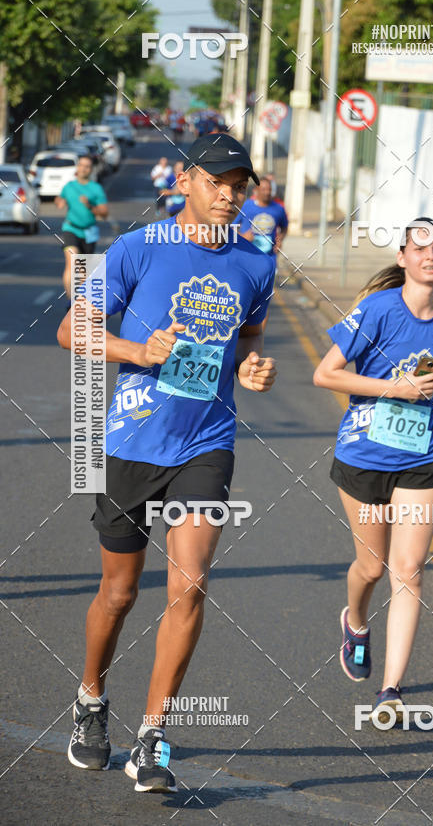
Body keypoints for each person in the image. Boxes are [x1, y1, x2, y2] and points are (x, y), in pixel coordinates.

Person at [57, 133, 277, 792]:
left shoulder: (257, 261)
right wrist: (138, 352)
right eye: (217, 182)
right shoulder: (134, 249)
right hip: (133, 442)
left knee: (190, 585)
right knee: (120, 594)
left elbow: (249, 336)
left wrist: (254, 366)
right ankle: (91, 700)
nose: (229, 194)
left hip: (206, 443)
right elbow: (73, 330)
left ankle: (153, 737)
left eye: (239, 184)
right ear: (186, 181)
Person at [313, 218, 433, 725]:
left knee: (409, 571)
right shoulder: (378, 310)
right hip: (365, 456)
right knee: (372, 568)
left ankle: (390, 692)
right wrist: (396, 390)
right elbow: (325, 374)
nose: (432, 256)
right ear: (403, 257)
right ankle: (356, 623)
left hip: (423, 455)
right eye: (420, 248)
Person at [54, 154, 108, 298]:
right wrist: (58, 201)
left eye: (87, 167)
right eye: (81, 165)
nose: (83, 169)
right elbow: (60, 199)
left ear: (91, 170)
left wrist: (90, 206)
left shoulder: (96, 188)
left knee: (84, 271)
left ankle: (81, 300)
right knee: (73, 261)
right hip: (71, 228)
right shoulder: (69, 186)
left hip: (89, 232)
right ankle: (71, 301)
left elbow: (104, 213)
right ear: (77, 167)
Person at [234, 175, 288, 255]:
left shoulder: (278, 208)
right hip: (247, 253)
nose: (267, 192)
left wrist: (279, 240)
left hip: (269, 256)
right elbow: (231, 227)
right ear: (256, 190)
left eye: (269, 189)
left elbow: (284, 227)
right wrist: (242, 237)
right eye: (264, 189)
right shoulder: (245, 206)